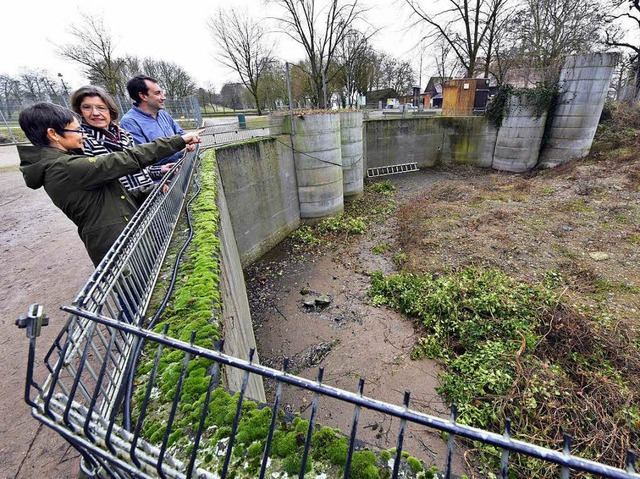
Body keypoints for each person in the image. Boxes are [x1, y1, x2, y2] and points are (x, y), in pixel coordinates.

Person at [18, 102, 201, 267]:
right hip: (116, 247)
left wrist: (148, 191)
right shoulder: (64, 167)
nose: (83, 135)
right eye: (77, 130)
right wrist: (178, 141)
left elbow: (109, 198)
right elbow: (126, 159)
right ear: (53, 134)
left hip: (123, 239)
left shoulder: (66, 162)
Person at [70, 85, 173, 205]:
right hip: (125, 207)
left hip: (150, 199)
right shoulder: (83, 141)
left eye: (101, 108)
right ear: (79, 111)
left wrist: (159, 169)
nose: (95, 113)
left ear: (110, 110)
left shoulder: (123, 134)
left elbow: (135, 165)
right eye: (87, 107)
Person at [120, 75, 194, 166]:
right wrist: (179, 151)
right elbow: (142, 158)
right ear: (143, 96)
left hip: (181, 167)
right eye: (157, 93)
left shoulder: (163, 114)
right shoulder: (130, 122)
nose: (163, 97)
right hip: (163, 178)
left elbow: (180, 134)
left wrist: (189, 142)